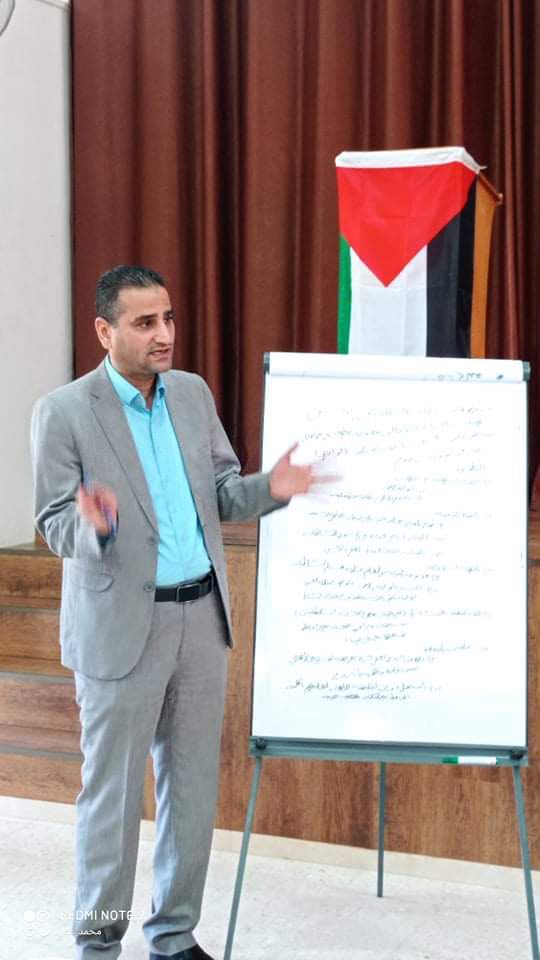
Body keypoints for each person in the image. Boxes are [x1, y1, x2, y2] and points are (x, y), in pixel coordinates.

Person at [30, 265, 318, 960]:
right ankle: (98, 943)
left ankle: (173, 935)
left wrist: (272, 488)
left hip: (200, 622)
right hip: (119, 630)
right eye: (144, 323)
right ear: (105, 331)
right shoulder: (64, 411)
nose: (164, 334)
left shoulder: (191, 393)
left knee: (190, 794)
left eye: (168, 318)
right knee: (112, 801)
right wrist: (91, 523)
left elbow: (221, 492)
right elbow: (52, 522)